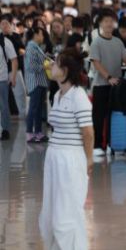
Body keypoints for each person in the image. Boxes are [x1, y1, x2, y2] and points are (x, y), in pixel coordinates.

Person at [39, 49, 94, 250]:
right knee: (51, 210)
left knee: (67, 212)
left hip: (71, 159)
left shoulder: (79, 96)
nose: (50, 66)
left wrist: (89, 159)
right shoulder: (57, 95)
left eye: (55, 63)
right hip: (54, 157)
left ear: (65, 70)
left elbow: (88, 132)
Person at [90, 10, 126, 155]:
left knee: (113, 115)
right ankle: (96, 145)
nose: (109, 24)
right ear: (100, 24)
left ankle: (110, 143)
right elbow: (96, 63)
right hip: (101, 85)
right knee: (99, 116)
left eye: (111, 21)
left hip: (116, 86)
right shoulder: (96, 42)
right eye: (106, 21)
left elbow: (125, 58)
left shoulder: (118, 41)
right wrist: (108, 77)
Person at [25, 27, 50, 143]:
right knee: (33, 108)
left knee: (39, 108)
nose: (43, 36)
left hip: (40, 81)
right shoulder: (31, 47)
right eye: (41, 34)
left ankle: (38, 132)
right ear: (35, 35)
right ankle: (29, 133)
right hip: (35, 82)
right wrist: (45, 66)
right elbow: (30, 67)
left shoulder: (36, 47)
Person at [0, 17, 19, 140]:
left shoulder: (5, 42)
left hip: (2, 78)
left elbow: (14, 60)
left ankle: (5, 130)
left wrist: (13, 76)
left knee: (3, 105)